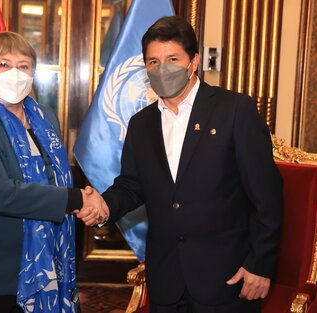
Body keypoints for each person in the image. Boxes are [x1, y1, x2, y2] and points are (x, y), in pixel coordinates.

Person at [82, 16, 283, 313]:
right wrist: (106, 206)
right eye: (152, 62)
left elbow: (267, 195)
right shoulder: (141, 124)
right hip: (166, 278)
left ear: (194, 62)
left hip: (228, 278)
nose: (161, 68)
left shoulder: (235, 111)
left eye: (172, 58)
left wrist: (260, 265)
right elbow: (132, 184)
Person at [0, 31, 102, 313]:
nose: (15, 73)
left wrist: (82, 199)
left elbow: (53, 176)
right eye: (3, 64)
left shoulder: (44, 116)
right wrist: (76, 200)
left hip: (46, 264)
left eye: (23, 66)